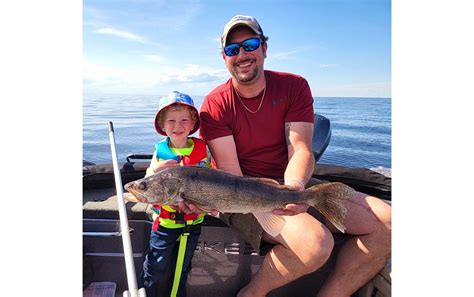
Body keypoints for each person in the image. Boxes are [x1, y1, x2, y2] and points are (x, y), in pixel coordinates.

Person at [193, 15, 391, 297]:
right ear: (224, 57)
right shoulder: (215, 104)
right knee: (315, 245)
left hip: (288, 183)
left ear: (264, 48)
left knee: (389, 223)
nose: (242, 55)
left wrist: (295, 188)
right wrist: (277, 197)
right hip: (239, 194)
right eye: (232, 49)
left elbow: (300, 148)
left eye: (249, 44)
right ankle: (251, 294)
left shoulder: (294, 86)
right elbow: (231, 176)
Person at [140, 91, 210, 297]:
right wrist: (155, 170)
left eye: (183, 120)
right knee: (155, 266)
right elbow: (147, 182)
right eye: (171, 120)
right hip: (165, 225)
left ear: (192, 124)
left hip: (193, 222)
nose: (177, 126)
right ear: (162, 125)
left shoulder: (203, 151)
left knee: (183, 268)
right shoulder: (160, 153)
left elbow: (212, 178)